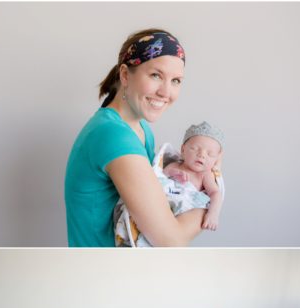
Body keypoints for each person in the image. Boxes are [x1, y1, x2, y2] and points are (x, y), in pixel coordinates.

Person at [65, 29, 205, 247]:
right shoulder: (113, 136)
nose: (166, 92)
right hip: (103, 274)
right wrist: (211, 198)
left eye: (176, 80)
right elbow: (171, 242)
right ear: (124, 75)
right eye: (156, 75)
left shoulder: (140, 129)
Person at [163, 122, 224, 231]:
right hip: (163, 205)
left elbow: (215, 193)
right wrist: (172, 172)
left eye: (210, 154)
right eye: (195, 148)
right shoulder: (175, 165)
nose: (202, 155)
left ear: (216, 160)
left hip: (182, 216)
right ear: (183, 150)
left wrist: (213, 214)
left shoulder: (205, 174)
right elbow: (159, 177)